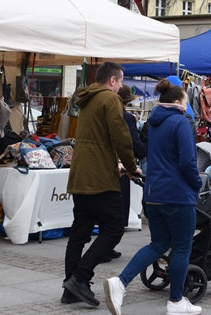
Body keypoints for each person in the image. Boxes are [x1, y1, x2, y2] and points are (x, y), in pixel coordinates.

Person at [103, 83, 201, 315]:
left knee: (158, 244)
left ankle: (120, 282)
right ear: (177, 102)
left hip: (154, 193)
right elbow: (188, 162)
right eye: (186, 102)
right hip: (178, 194)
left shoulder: (154, 123)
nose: (187, 106)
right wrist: (196, 183)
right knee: (182, 246)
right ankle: (176, 301)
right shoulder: (181, 122)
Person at [62, 62, 142, 308]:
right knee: (114, 228)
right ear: (112, 81)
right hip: (98, 177)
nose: (120, 87)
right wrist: (131, 166)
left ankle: (70, 288)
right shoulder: (109, 98)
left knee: (80, 231)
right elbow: (121, 136)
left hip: (81, 173)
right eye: (120, 82)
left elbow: (98, 138)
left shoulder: (87, 98)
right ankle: (80, 278)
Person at [115, 85, 148, 262]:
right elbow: (134, 147)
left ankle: (108, 246)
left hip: (107, 166)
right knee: (119, 213)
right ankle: (107, 246)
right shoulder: (127, 118)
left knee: (111, 213)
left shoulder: (105, 115)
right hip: (122, 168)